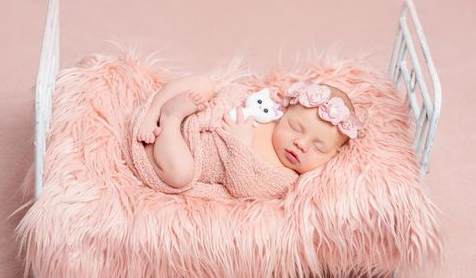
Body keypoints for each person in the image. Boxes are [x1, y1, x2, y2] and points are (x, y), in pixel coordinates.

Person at [131, 75, 364, 198]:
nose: (300, 144)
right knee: (205, 84)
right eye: (294, 126)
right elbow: (234, 96)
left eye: (319, 148)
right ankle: (153, 113)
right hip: (199, 115)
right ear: (284, 112)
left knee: (181, 173)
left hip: (179, 152)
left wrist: (239, 144)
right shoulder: (271, 116)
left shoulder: (284, 177)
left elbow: (244, 187)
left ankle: (170, 117)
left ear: (334, 155)